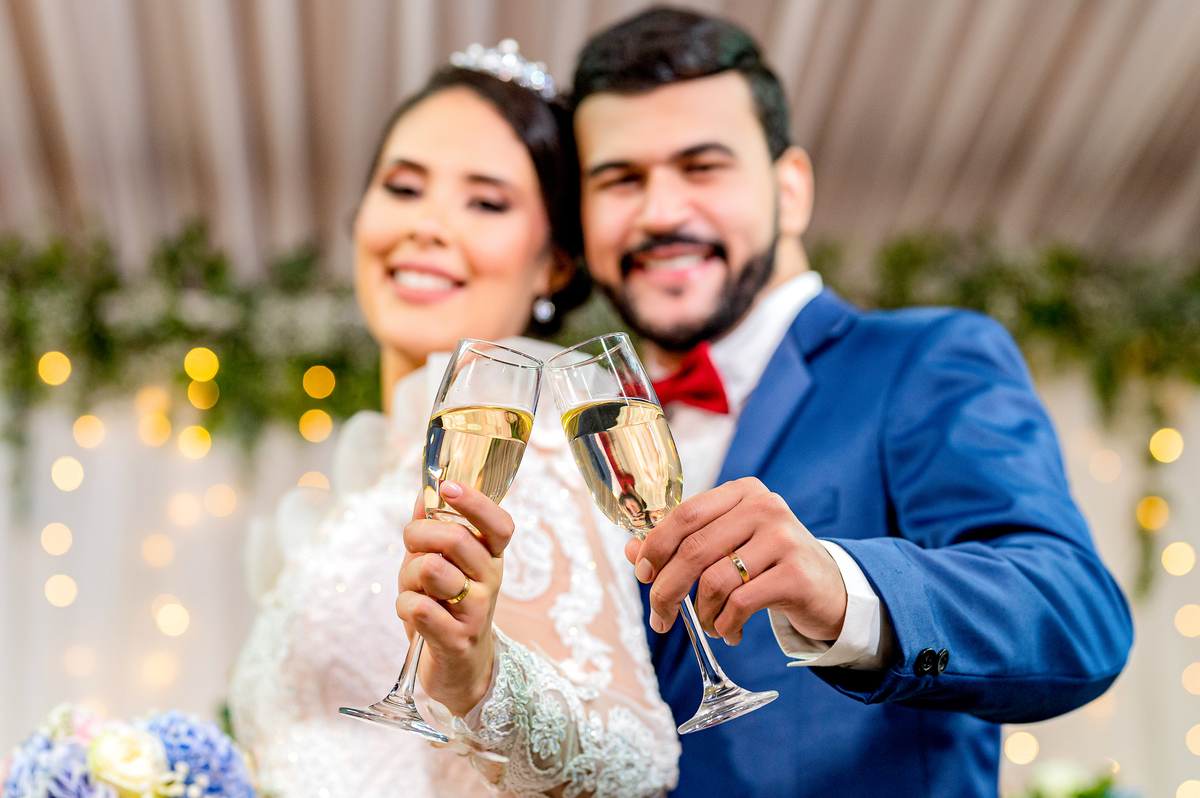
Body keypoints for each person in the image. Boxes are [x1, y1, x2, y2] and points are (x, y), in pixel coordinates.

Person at [566, 7, 1134, 797]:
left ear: (790, 188)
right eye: (620, 179)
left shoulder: (927, 358)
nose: (660, 212)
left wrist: (843, 588)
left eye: (703, 167)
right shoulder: (580, 428)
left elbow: (1075, 618)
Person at [229, 47, 679, 798]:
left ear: (555, 264)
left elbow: (639, 762)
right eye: (404, 188)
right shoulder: (387, 461)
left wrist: (478, 681)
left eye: (486, 203)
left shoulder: (534, 449)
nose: (429, 226)